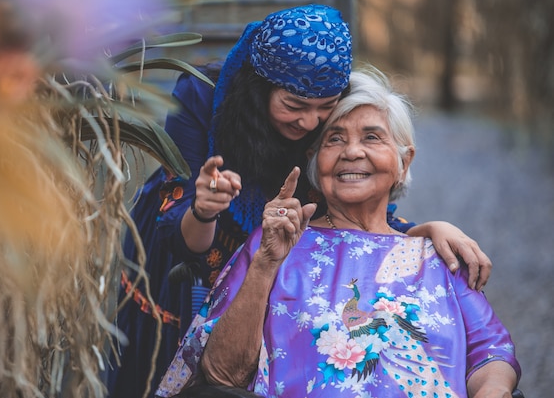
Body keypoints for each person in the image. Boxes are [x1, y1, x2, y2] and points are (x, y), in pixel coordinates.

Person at [107, 4, 492, 398]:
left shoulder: (322, 119)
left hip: (282, 241)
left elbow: (355, 204)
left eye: (325, 109)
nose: (310, 124)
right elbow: (184, 235)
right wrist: (206, 209)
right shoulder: (200, 96)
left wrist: (424, 231)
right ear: (261, 88)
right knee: (168, 366)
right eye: (294, 106)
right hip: (189, 234)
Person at [155, 67, 521, 398]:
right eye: (334, 139)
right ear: (315, 162)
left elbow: (491, 351)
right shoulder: (277, 245)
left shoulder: (437, 254)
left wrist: (492, 389)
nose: (351, 152)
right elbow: (222, 374)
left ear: (403, 161)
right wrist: (266, 264)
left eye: (372, 137)